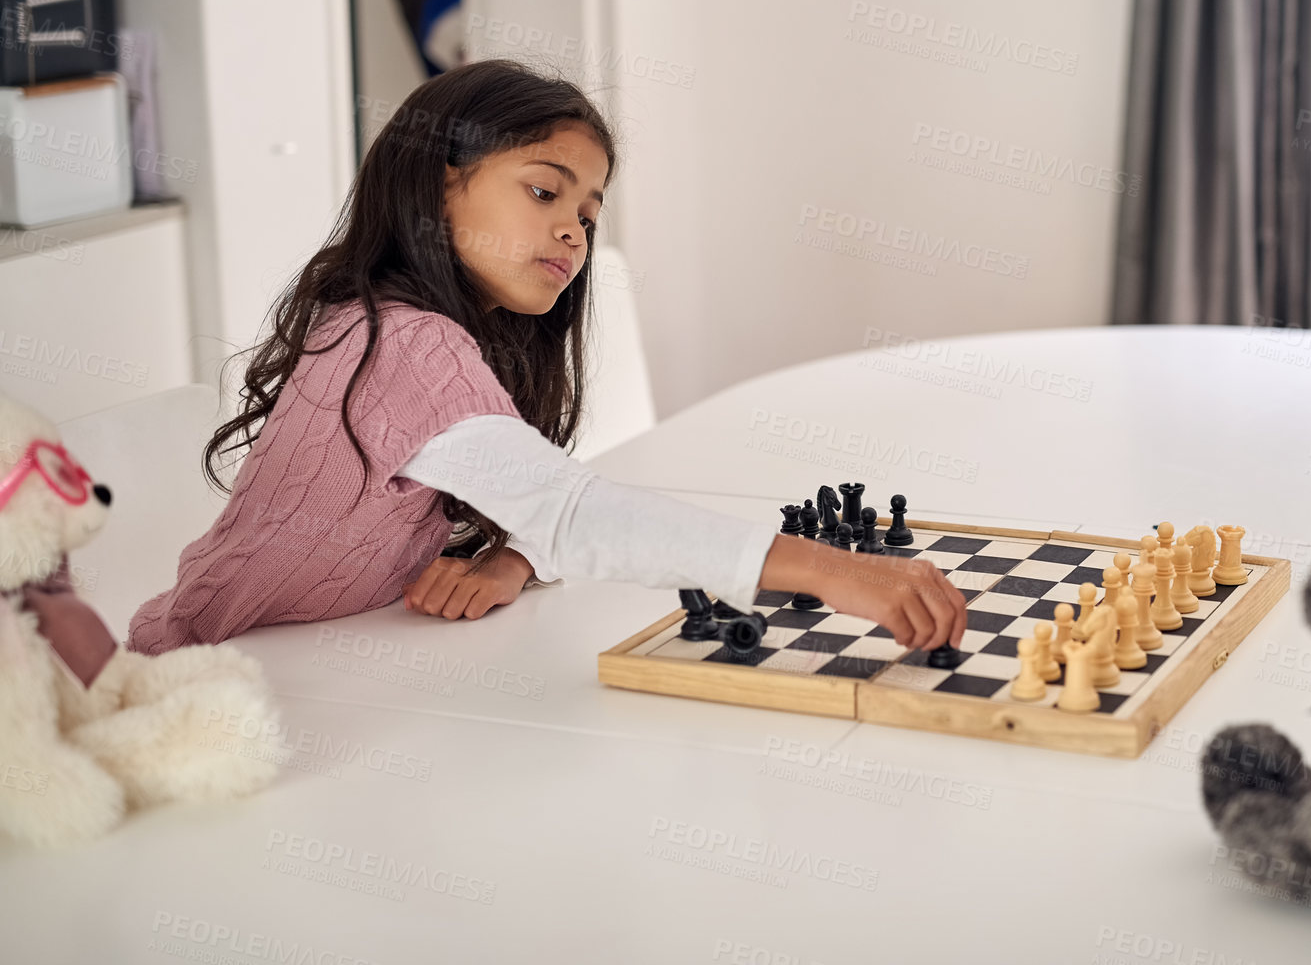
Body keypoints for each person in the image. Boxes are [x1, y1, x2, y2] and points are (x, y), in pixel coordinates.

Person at [125, 59, 966, 657]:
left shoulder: (442, 333)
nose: (574, 229)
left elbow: (529, 501)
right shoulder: (395, 339)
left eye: (590, 213)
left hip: (340, 658)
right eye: (543, 190)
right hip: (213, 675)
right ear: (439, 183)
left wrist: (512, 557)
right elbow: (573, 511)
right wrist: (829, 572)